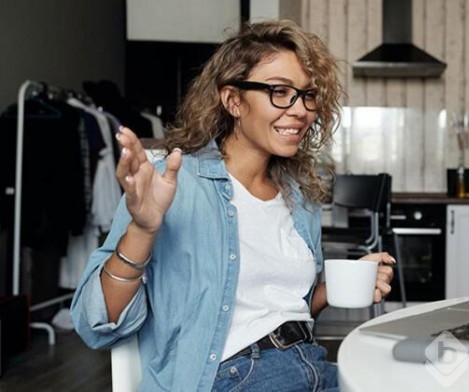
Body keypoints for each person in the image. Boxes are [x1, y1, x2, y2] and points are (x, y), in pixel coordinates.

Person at [70, 20, 395, 392]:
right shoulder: (170, 184)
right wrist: (142, 230)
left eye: (307, 95)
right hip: (231, 379)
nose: (301, 110)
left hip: (309, 366)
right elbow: (95, 322)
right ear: (233, 100)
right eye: (279, 91)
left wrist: (336, 288)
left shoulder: (298, 195)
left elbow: (282, 309)